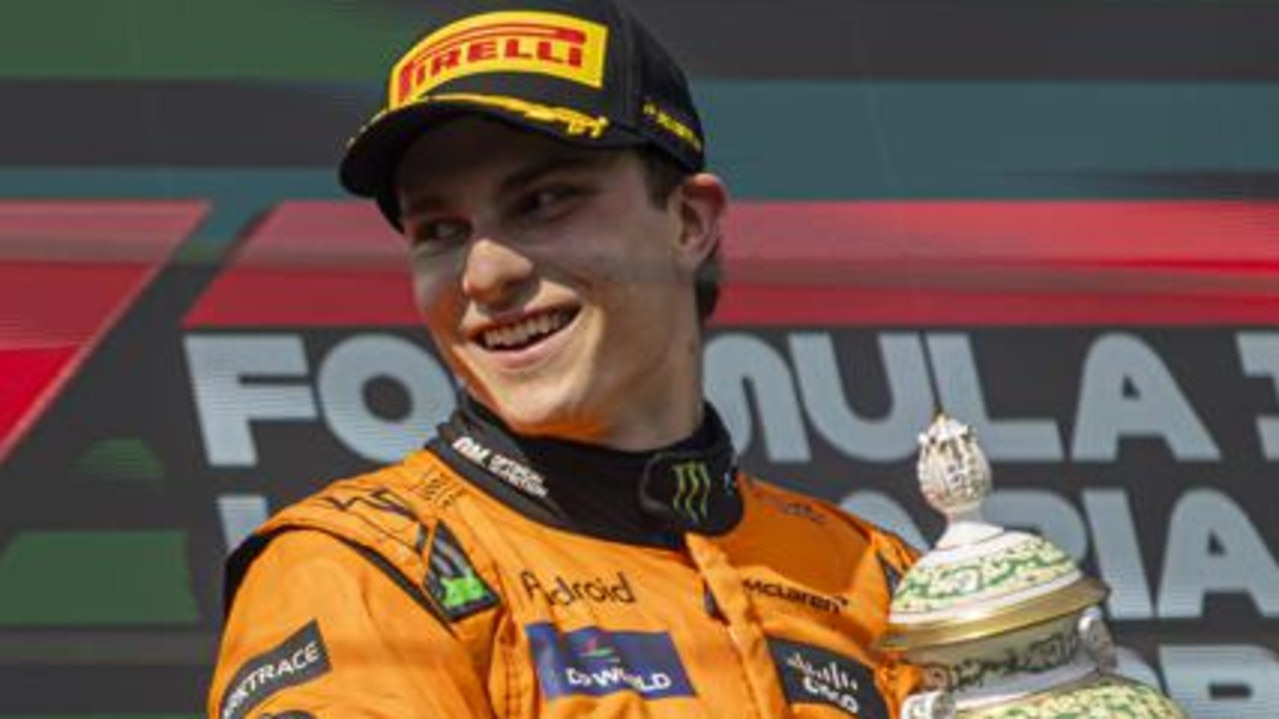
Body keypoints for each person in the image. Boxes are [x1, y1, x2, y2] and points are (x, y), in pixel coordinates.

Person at [207, 1, 919, 717]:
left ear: (687, 221)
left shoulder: (881, 578)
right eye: (440, 230)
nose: (483, 275)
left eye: (543, 202)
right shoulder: (363, 566)